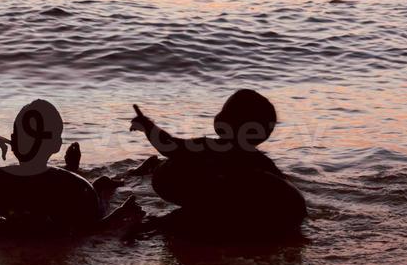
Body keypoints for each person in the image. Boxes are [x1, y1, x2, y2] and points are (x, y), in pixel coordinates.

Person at [128, 89, 306, 232]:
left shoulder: (208, 147)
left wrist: (147, 125)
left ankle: (157, 224)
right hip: (234, 211)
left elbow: (169, 146)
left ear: (222, 121)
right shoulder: (259, 161)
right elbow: (283, 187)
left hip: (210, 205)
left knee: (185, 215)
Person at [0, 99, 117, 234]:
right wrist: (118, 216)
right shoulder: (76, 187)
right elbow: (87, 226)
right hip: (59, 192)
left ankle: (72, 167)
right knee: (100, 184)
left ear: (13, 142)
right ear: (56, 145)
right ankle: (72, 167)